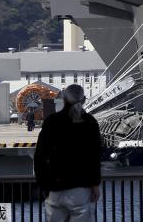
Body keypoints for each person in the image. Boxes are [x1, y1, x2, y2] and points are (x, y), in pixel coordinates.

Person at [34, 84, 102, 222]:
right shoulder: (89, 122)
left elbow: (40, 156)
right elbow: (94, 157)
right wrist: (95, 184)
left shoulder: (51, 121)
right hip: (81, 189)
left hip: (55, 188)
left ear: (63, 99)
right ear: (83, 100)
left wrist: (44, 185)